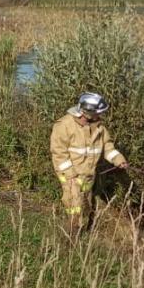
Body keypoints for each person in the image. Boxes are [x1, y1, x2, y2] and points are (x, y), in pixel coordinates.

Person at [49, 92, 127, 233]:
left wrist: (118, 160)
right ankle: (71, 238)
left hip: (88, 176)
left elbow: (108, 148)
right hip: (71, 175)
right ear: (87, 112)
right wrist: (70, 175)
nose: (100, 116)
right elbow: (58, 153)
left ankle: (83, 232)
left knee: (86, 205)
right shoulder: (64, 125)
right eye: (98, 113)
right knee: (75, 206)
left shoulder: (100, 128)